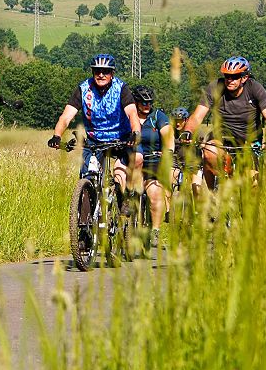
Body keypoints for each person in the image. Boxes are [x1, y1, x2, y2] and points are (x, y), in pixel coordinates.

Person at [47, 54, 142, 208]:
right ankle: (85, 223)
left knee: (124, 172)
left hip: (121, 137)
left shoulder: (121, 88)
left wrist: (135, 132)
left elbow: (132, 113)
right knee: (86, 177)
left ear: (112, 74)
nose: (101, 75)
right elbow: (66, 116)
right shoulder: (84, 89)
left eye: (105, 71)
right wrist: (56, 136)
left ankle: (124, 199)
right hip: (94, 139)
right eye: (97, 71)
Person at [182, 56, 266, 193]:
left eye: (235, 77)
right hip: (221, 137)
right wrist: (188, 131)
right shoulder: (215, 87)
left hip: (249, 140)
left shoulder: (255, 88)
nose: (230, 80)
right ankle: (213, 196)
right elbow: (197, 116)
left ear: (244, 78)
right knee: (209, 152)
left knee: (253, 184)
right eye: (227, 76)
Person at [133, 85, 174, 248]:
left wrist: (169, 150)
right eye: (143, 102)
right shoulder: (130, 116)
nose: (147, 105)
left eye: (149, 102)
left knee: (155, 193)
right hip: (134, 159)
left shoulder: (157, 116)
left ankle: (155, 231)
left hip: (153, 160)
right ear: (136, 102)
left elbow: (168, 133)